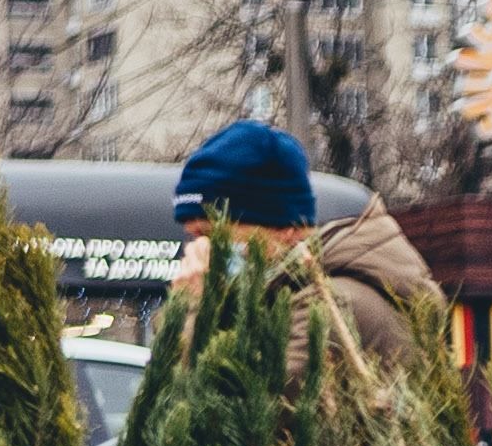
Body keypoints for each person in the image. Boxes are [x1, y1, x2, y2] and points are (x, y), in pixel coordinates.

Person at [172, 118, 434, 377]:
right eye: (193, 236)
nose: (200, 249)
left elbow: (236, 408)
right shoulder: (287, 294)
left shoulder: (329, 306)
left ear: (284, 227)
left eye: (212, 234)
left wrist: (197, 309)